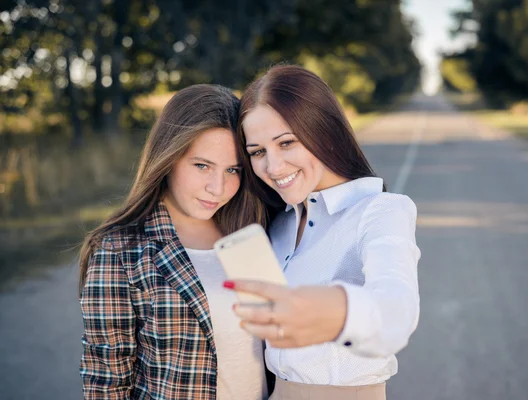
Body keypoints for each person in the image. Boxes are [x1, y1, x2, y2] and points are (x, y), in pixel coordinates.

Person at [226, 65, 421, 400]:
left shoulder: (380, 210)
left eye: (286, 143)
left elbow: (397, 310)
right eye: (257, 152)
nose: (272, 167)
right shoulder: (279, 223)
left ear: (323, 132)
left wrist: (338, 310)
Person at [78, 84, 269, 400]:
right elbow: (106, 385)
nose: (217, 187)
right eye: (202, 165)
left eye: (232, 169)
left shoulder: (250, 230)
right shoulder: (119, 251)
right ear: (169, 157)